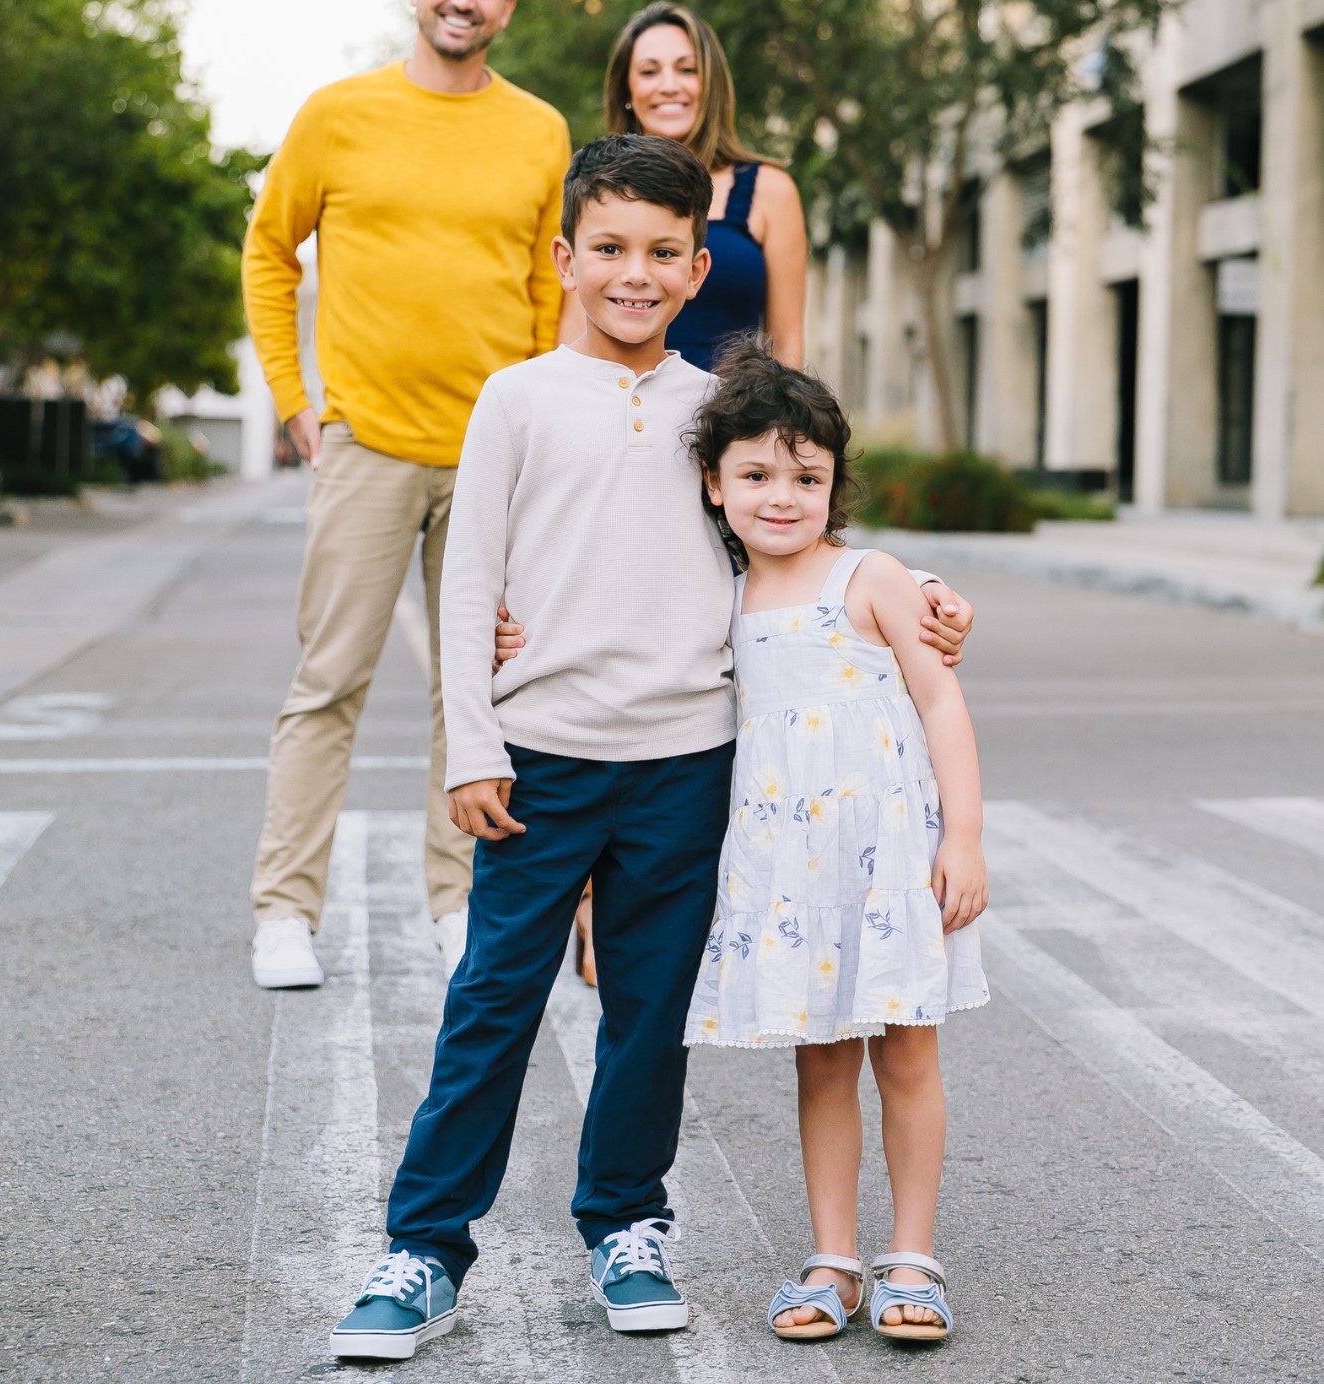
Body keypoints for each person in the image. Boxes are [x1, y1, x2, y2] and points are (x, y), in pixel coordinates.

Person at [329, 135, 971, 1362]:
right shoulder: (514, 398)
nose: (635, 273)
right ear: (566, 258)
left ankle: (626, 1220)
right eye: (611, 249)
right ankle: (423, 1246)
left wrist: (924, 585)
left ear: (694, 272)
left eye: (663, 254)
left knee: (647, 1012)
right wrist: (475, 743)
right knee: (492, 1004)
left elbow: (796, 531)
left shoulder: (711, 409)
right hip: (541, 759)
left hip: (689, 763)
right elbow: (468, 586)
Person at [242, 0, 571, 990]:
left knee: (473, 693)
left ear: (507, 6)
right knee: (329, 679)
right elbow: (268, 249)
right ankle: (286, 911)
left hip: (492, 459)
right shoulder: (339, 115)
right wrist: (297, 400)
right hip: (370, 445)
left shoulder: (538, 132)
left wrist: (542, 437)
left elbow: (541, 293)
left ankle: (454, 900)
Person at [683, 342, 990, 1346]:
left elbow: (941, 700)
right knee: (820, 1064)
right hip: (791, 872)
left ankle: (913, 1252)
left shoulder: (872, 575)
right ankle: (833, 1258)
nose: (782, 496)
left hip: (892, 857)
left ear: (833, 484)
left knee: (906, 1054)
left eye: (806, 476)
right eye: (757, 474)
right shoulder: (715, 597)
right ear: (714, 481)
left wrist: (968, 837)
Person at [605, 0, 807, 372]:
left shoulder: (771, 192)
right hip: (619, 414)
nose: (669, 86)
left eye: (687, 69)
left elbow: (787, 345)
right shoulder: (596, 191)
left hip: (730, 419)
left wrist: (779, 426)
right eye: (649, 72)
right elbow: (572, 330)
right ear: (627, 92)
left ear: (710, 84)